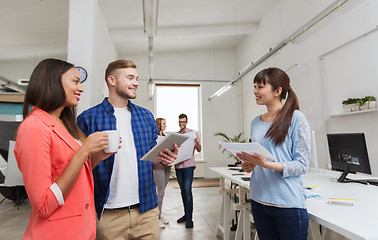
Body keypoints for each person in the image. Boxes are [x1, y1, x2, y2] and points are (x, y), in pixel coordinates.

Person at [14, 58, 114, 240]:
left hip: (80, 230)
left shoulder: (65, 124)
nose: (81, 88)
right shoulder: (34, 127)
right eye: (75, 81)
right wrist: (83, 151)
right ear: (52, 81)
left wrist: (96, 157)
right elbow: (44, 204)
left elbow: (68, 177)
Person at [77, 59, 177, 240]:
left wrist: (164, 159)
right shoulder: (88, 119)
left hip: (147, 211)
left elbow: (152, 162)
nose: (136, 83)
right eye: (130, 78)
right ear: (112, 80)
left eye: (137, 78)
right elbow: (79, 167)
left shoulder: (145, 117)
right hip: (107, 214)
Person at [236, 67, 311, 240]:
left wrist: (265, 164)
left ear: (277, 91)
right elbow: (261, 159)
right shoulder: (256, 122)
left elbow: (302, 165)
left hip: (288, 205)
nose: (255, 91)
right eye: (254, 86)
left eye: (260, 86)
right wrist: (249, 163)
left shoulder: (296, 118)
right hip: (259, 201)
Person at [175, 113, 202, 228]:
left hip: (189, 166)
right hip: (178, 167)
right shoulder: (175, 135)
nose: (182, 124)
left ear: (187, 122)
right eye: (180, 122)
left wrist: (197, 142)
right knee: (182, 190)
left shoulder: (192, 133)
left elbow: (199, 150)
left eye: (183, 122)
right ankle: (185, 215)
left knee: (187, 189)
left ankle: (190, 219)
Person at [153, 118, 171, 228]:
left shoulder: (165, 137)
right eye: (163, 123)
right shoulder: (154, 138)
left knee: (162, 192)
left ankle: (159, 215)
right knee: (160, 192)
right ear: (158, 125)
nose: (165, 125)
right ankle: (156, 218)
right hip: (158, 166)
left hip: (167, 166)